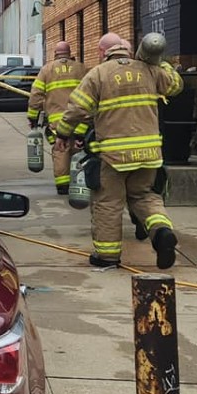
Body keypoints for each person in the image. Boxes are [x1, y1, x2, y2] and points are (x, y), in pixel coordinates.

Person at [52, 33, 183, 270]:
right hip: (148, 154)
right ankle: (161, 231)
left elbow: (76, 108)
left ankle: (107, 256)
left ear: (104, 53)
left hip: (113, 157)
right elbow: (176, 85)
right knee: (144, 196)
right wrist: (160, 62)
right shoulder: (149, 70)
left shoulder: (98, 74)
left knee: (108, 203)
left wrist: (62, 134)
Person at [27, 41, 84, 196]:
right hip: (79, 120)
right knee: (78, 150)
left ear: (55, 54)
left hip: (57, 122)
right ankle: (79, 183)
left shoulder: (47, 70)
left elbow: (36, 96)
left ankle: (63, 186)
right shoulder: (81, 69)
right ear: (70, 52)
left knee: (61, 150)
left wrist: (32, 118)